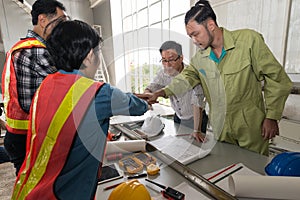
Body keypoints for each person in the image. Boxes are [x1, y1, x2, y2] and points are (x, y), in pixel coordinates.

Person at [12, 20, 148, 200]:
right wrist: (145, 98)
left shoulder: (45, 85)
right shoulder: (98, 92)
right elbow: (138, 107)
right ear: (90, 55)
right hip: (65, 193)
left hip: (30, 189)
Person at [139, 0, 292, 156]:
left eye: (195, 34)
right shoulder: (200, 58)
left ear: (211, 25)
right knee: (226, 172)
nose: (194, 41)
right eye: (190, 36)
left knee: (252, 175)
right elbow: (184, 79)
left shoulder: (248, 41)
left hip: (251, 128)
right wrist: (159, 93)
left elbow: (277, 79)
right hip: (221, 130)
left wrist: (272, 116)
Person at [1, 0, 67, 175]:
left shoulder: (20, 46)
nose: (62, 28)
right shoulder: (36, 50)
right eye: (60, 22)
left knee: (26, 184)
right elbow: (66, 88)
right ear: (43, 20)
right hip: (28, 136)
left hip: (18, 133)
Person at [143, 41, 208, 142]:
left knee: (197, 148)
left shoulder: (192, 74)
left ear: (181, 58)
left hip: (196, 119)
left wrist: (197, 130)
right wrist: (146, 95)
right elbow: (152, 87)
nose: (167, 64)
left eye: (171, 60)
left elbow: (197, 103)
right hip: (178, 117)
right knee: (179, 147)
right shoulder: (163, 74)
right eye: (164, 60)